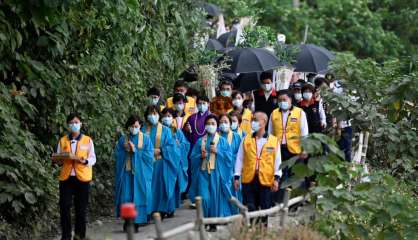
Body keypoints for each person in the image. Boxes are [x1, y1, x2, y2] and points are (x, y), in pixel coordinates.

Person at [54, 113, 96, 240]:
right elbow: (58, 157)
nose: (74, 125)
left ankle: (79, 236)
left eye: (76, 122)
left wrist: (84, 161)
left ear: (81, 124)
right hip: (66, 178)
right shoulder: (63, 140)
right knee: (64, 207)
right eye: (71, 123)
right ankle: (66, 236)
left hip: (82, 178)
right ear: (68, 125)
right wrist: (58, 159)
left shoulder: (87, 140)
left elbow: (93, 158)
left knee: (80, 209)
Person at [234, 112, 281, 226]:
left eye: (255, 120)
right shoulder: (246, 139)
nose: (252, 122)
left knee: (264, 209)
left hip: (265, 180)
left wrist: (276, 178)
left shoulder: (274, 141)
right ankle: (251, 232)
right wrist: (236, 176)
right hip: (249, 179)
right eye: (252, 120)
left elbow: (277, 161)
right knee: (250, 207)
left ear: (264, 122)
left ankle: (262, 233)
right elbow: (240, 158)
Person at [189, 115, 233, 231]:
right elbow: (192, 157)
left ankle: (213, 223)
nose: (210, 126)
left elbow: (229, 159)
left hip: (216, 174)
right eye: (208, 123)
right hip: (203, 174)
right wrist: (200, 156)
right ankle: (204, 220)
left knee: (214, 198)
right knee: (204, 198)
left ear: (217, 126)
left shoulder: (222, 141)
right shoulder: (200, 141)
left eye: (213, 123)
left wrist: (218, 152)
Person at [115, 115, 154, 232]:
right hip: (126, 174)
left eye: (136, 126)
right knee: (126, 197)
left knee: (138, 197)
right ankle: (127, 221)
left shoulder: (146, 139)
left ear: (140, 126)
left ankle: (136, 223)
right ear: (128, 127)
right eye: (131, 126)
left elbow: (149, 156)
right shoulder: (123, 139)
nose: (134, 128)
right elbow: (117, 155)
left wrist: (135, 151)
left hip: (140, 175)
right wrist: (125, 151)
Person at [268, 90, 309, 202]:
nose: (282, 102)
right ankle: (279, 202)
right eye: (280, 100)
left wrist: (304, 149)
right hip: (279, 150)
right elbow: (270, 133)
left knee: (296, 176)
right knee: (279, 176)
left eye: (284, 100)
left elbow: (304, 132)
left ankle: (296, 203)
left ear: (291, 100)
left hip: (295, 150)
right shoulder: (274, 113)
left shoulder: (300, 113)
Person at [141, 105, 178, 218]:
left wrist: (161, 150)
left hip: (161, 162)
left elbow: (172, 147)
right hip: (146, 164)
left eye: (155, 113)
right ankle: (148, 211)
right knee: (148, 188)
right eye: (150, 114)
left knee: (160, 187)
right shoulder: (143, 130)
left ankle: (161, 209)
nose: (153, 116)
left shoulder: (166, 130)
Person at [161, 108, 190, 209]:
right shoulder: (159, 131)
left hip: (175, 162)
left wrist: (179, 146)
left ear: (172, 118)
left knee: (173, 185)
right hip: (162, 162)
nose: (166, 118)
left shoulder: (176, 131)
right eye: (164, 116)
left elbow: (185, 145)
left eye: (169, 116)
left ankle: (171, 207)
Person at [218, 113, 242, 213]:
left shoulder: (237, 137)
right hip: (220, 170)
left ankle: (236, 212)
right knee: (221, 193)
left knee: (235, 191)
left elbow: (240, 155)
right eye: (221, 122)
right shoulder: (216, 137)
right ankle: (224, 214)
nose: (223, 124)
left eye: (226, 122)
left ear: (230, 123)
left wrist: (226, 156)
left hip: (233, 170)